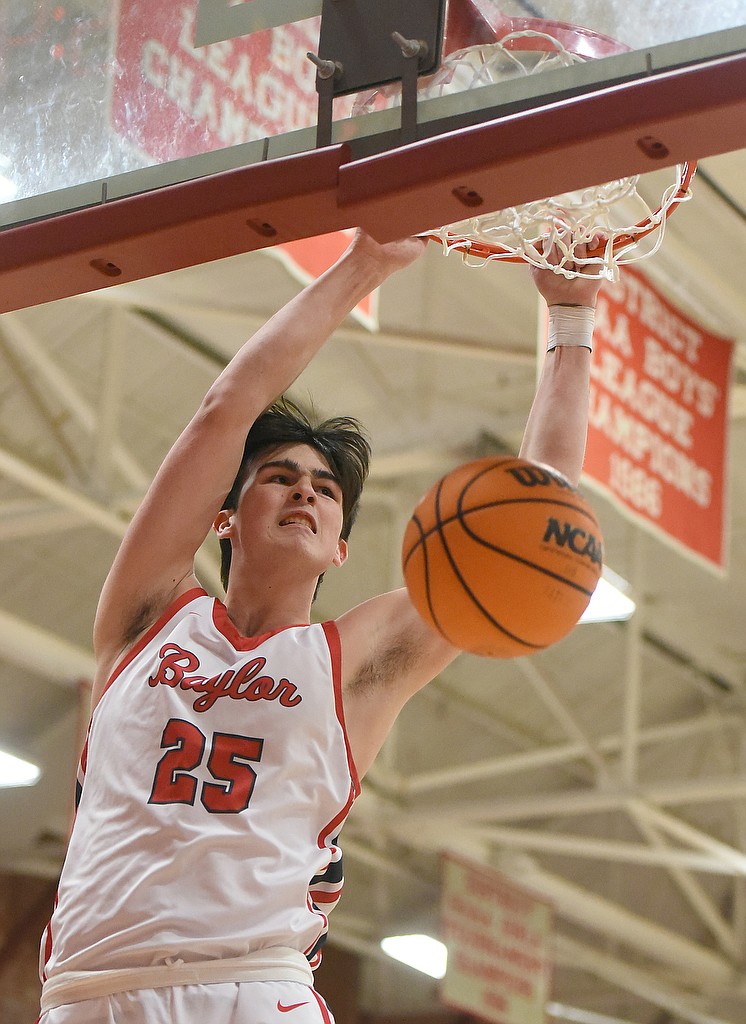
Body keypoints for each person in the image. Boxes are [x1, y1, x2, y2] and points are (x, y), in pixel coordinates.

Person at [37, 229, 603, 1023]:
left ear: (340, 548)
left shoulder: (355, 659)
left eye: (326, 490)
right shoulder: (146, 617)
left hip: (253, 987)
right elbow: (222, 413)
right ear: (226, 518)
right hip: (89, 991)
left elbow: (532, 520)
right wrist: (368, 261)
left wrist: (570, 318)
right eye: (279, 478)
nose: (306, 492)